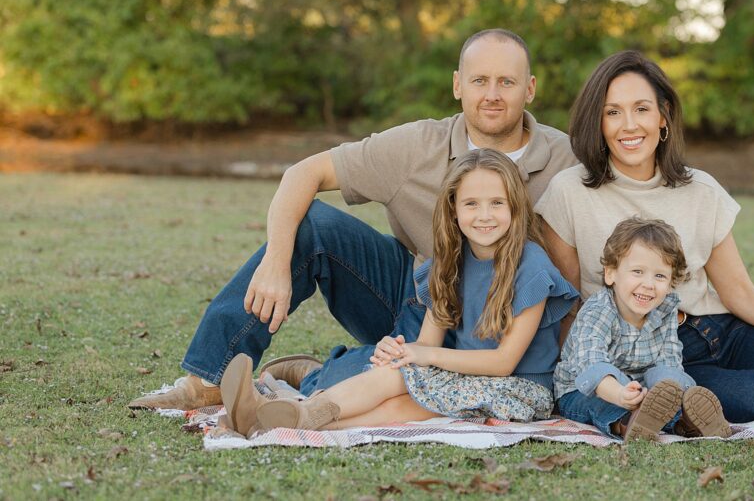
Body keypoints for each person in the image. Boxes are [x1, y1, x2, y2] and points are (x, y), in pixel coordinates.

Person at [129, 29, 577, 412]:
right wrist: (276, 262)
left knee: (349, 387)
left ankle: (314, 373)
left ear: (530, 88)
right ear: (458, 85)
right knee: (315, 225)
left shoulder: (567, 158)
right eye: (480, 80)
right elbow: (303, 173)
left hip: (504, 322)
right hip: (422, 295)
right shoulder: (416, 146)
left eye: (506, 82)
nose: (492, 94)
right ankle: (209, 379)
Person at [536, 50, 754, 424]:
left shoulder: (700, 189)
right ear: (597, 121)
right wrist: (580, 379)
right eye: (613, 112)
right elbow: (570, 304)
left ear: (663, 117)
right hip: (659, 353)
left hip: (723, 329)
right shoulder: (569, 191)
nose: (629, 125)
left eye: (641, 109)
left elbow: (740, 292)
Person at [218, 149, 578, 435]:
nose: (485, 215)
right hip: (465, 379)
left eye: (497, 203)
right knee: (397, 381)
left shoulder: (531, 265)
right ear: (453, 210)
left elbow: (503, 363)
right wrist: (404, 351)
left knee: (402, 396)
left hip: (519, 389)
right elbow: (427, 343)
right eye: (471, 204)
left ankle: (288, 416)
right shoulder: (449, 263)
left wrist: (422, 355)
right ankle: (284, 420)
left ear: (515, 208)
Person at [555, 216, 731, 441]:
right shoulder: (598, 311)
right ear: (611, 273)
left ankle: (686, 419)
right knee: (600, 404)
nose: (648, 284)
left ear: (670, 283)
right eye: (637, 271)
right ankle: (628, 423)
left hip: (642, 391)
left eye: (659, 276)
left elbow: (669, 359)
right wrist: (621, 395)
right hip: (585, 390)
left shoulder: (665, 310)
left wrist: (668, 388)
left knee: (667, 378)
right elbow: (591, 365)